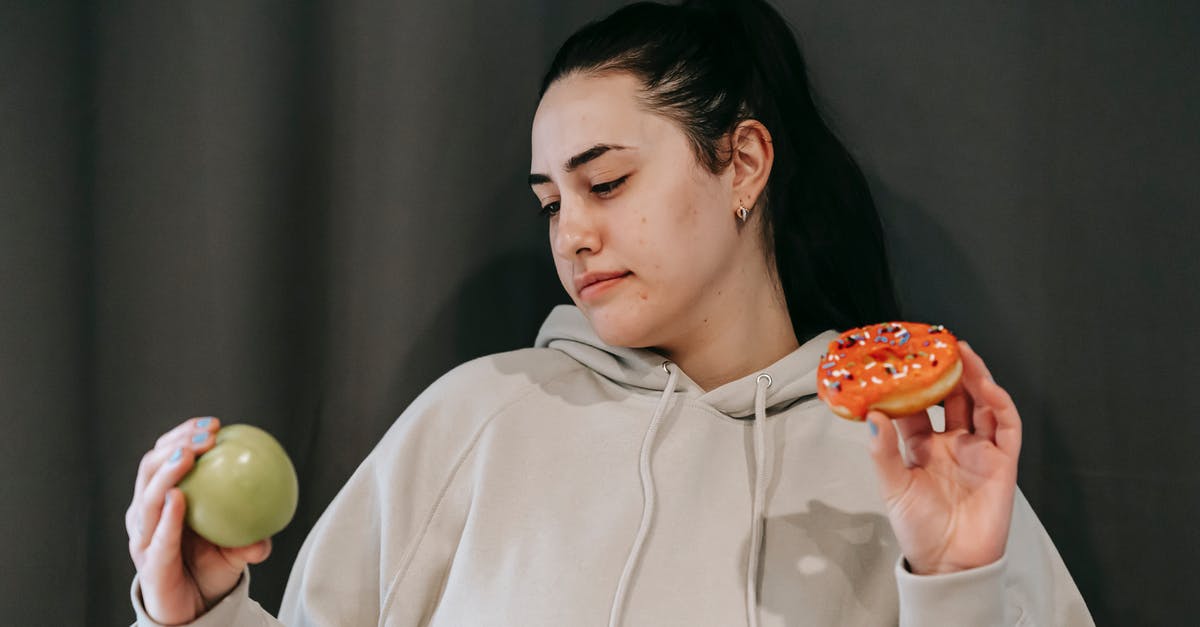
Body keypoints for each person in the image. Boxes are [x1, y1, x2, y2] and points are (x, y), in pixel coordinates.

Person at [126, 1, 1094, 625]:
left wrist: (959, 585)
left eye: (608, 181)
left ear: (744, 163)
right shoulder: (478, 418)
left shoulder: (915, 460)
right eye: (552, 202)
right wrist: (200, 615)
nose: (573, 235)